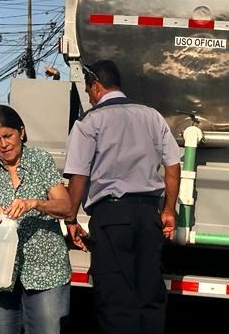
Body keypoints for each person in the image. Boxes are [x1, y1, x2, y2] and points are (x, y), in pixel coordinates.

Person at [63, 60, 181, 334]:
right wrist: (168, 210)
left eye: (88, 91)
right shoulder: (152, 116)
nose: (89, 98)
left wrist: (70, 218)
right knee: (149, 294)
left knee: (115, 298)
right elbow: (173, 166)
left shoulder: (89, 122)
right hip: (149, 216)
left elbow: (79, 176)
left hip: (111, 217)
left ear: (95, 86)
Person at [0, 105, 72, 334]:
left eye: (8, 136)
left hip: (45, 269)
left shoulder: (40, 160)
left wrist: (35, 203)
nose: (4, 144)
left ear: (21, 132)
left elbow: (66, 206)